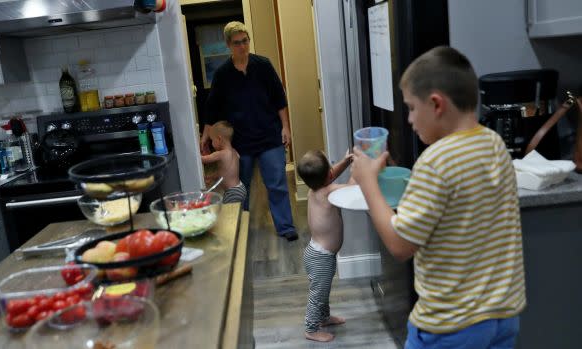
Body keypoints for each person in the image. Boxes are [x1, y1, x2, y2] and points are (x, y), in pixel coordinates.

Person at [351, 46, 526, 349]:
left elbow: (400, 244)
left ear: (436, 104)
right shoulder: (494, 143)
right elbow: (454, 212)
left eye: (411, 108)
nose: (409, 119)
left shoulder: (436, 161)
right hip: (502, 316)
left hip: (450, 326)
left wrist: (368, 184)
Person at [201, 21, 297, 241]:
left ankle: (285, 227)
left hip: (270, 136)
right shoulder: (223, 74)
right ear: (228, 45)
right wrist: (205, 136)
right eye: (237, 43)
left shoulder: (263, 65)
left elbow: (279, 99)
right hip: (241, 142)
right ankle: (238, 229)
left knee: (277, 184)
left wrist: (286, 127)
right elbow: (211, 108)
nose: (243, 46)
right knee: (239, 188)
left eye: (245, 41)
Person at [296, 150, 353, 342]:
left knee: (323, 290)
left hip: (319, 254)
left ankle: (324, 318)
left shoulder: (316, 189)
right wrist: (359, 169)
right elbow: (352, 188)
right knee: (318, 294)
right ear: (328, 175)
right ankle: (311, 329)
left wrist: (346, 161)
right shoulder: (328, 192)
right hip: (321, 257)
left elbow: (331, 174)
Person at [201, 121, 247, 204]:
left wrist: (197, 151)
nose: (212, 143)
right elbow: (225, 172)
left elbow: (203, 159)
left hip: (232, 192)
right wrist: (211, 177)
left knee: (229, 215)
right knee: (235, 213)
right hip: (240, 188)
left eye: (212, 140)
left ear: (219, 139)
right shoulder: (234, 152)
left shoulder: (221, 154)